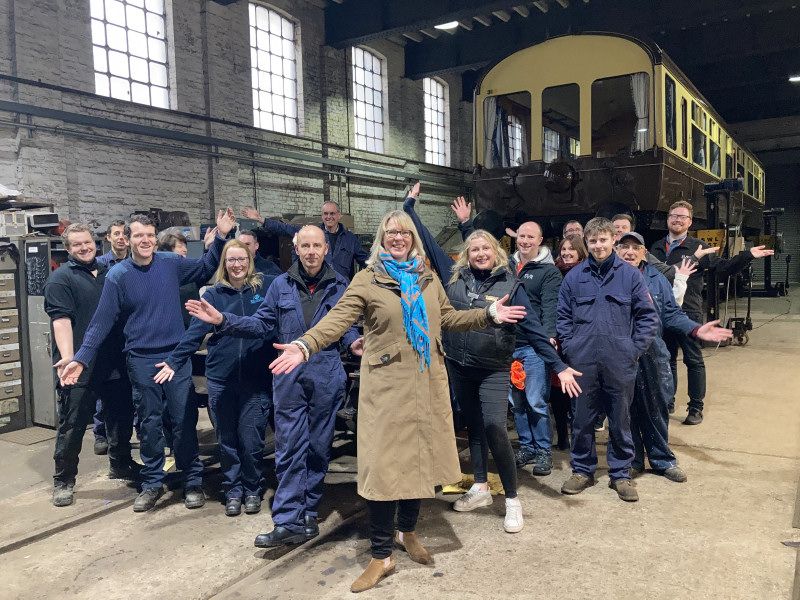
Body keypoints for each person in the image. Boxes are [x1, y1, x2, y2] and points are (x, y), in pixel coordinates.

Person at [268, 210, 527, 593]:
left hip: (426, 385)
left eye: (404, 232)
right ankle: (380, 556)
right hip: (386, 390)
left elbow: (450, 318)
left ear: (413, 239)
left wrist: (489, 314)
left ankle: (407, 533)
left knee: (418, 464)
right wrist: (306, 345)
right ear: (382, 238)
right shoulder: (368, 279)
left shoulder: (427, 279)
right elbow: (337, 319)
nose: (398, 237)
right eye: (391, 232)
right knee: (385, 472)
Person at [404, 188, 580, 533]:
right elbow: (424, 238)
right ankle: (481, 488)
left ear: (496, 252)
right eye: (474, 248)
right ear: (466, 253)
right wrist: (410, 208)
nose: (480, 253)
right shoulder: (453, 276)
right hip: (458, 364)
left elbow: (533, 327)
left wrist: (558, 365)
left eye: (486, 248)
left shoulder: (512, 286)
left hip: (493, 368)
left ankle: (512, 499)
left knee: (495, 426)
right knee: (473, 427)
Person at [187, 226, 360, 544]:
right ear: (296, 248)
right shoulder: (280, 285)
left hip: (325, 377)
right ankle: (287, 520)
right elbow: (262, 323)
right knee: (288, 448)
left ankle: (309, 511)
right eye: (304, 245)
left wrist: (355, 343)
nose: (310, 251)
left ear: (326, 250)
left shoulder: (341, 285)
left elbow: (347, 326)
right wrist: (223, 321)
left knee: (318, 448)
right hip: (288, 379)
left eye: (316, 246)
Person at [59, 209, 236, 513]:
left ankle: (192, 480)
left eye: (150, 236)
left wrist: (220, 237)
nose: (145, 241)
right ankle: (152, 482)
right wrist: (80, 359)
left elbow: (205, 268)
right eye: (138, 235)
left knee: (183, 420)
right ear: (127, 239)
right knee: (150, 424)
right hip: (140, 359)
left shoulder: (170, 264)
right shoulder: (118, 276)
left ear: (156, 239)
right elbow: (101, 323)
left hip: (176, 357)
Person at [154, 240, 279, 516]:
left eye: (241, 259)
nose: (237, 265)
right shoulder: (212, 296)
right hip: (221, 379)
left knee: (252, 440)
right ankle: (233, 490)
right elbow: (195, 333)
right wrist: (175, 360)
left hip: (256, 379)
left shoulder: (266, 289)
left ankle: (253, 489)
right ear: (224, 263)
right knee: (227, 440)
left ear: (250, 260)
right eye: (231, 260)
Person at [451, 197, 565, 475]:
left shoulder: (548, 271)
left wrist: (549, 337)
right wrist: (466, 224)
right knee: (517, 403)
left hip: (533, 348)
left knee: (536, 401)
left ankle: (543, 451)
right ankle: (526, 446)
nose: (525, 241)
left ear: (540, 241)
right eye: (521, 236)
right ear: (515, 238)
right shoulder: (508, 266)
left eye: (530, 237)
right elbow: (478, 251)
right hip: (507, 347)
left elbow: (550, 307)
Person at [557, 217, 660, 502]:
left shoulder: (630, 276)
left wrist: (633, 349)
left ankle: (621, 474)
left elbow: (648, 317)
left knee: (620, 418)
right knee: (581, 419)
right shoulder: (574, 278)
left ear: (613, 240)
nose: (598, 246)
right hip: (582, 362)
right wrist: (570, 347)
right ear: (586, 244)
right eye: (593, 241)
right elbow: (563, 316)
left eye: (603, 240)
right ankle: (582, 470)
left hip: (619, 361)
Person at [615, 232, 731, 481]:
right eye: (624, 247)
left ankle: (661, 459)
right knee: (627, 410)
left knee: (656, 407)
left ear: (644, 252)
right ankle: (633, 460)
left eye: (636, 247)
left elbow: (671, 313)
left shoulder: (656, 278)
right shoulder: (609, 277)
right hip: (621, 355)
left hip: (652, 352)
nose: (629, 252)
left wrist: (696, 328)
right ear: (616, 250)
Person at [649, 200, 773, 424]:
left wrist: (747, 256)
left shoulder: (698, 246)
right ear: (667, 220)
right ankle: (667, 401)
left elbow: (722, 267)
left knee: (693, 360)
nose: (677, 220)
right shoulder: (656, 248)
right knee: (666, 361)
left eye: (682, 217)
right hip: (662, 313)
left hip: (688, 312)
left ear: (689, 222)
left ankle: (695, 407)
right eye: (673, 216)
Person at [47, 224, 137, 507]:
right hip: (80, 363)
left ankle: (120, 463)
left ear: (96, 243)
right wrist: (68, 357)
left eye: (87, 242)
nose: (84, 248)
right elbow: (60, 321)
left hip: (114, 359)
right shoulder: (60, 279)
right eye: (77, 245)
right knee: (73, 423)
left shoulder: (111, 273)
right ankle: (64, 480)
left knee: (121, 415)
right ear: (68, 248)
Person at [241, 201, 368, 280]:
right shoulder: (311, 233)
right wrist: (260, 219)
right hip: (318, 287)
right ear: (322, 215)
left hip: (342, 289)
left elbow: (364, 259)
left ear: (339, 215)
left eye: (332, 213)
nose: (329, 217)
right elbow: (284, 228)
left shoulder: (350, 239)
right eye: (325, 214)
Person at [94, 219, 130, 452]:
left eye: (124, 234)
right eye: (115, 234)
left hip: (128, 333)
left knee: (128, 388)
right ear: (108, 237)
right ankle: (100, 434)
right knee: (105, 388)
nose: (120, 238)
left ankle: (125, 433)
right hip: (107, 334)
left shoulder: (137, 263)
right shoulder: (98, 265)